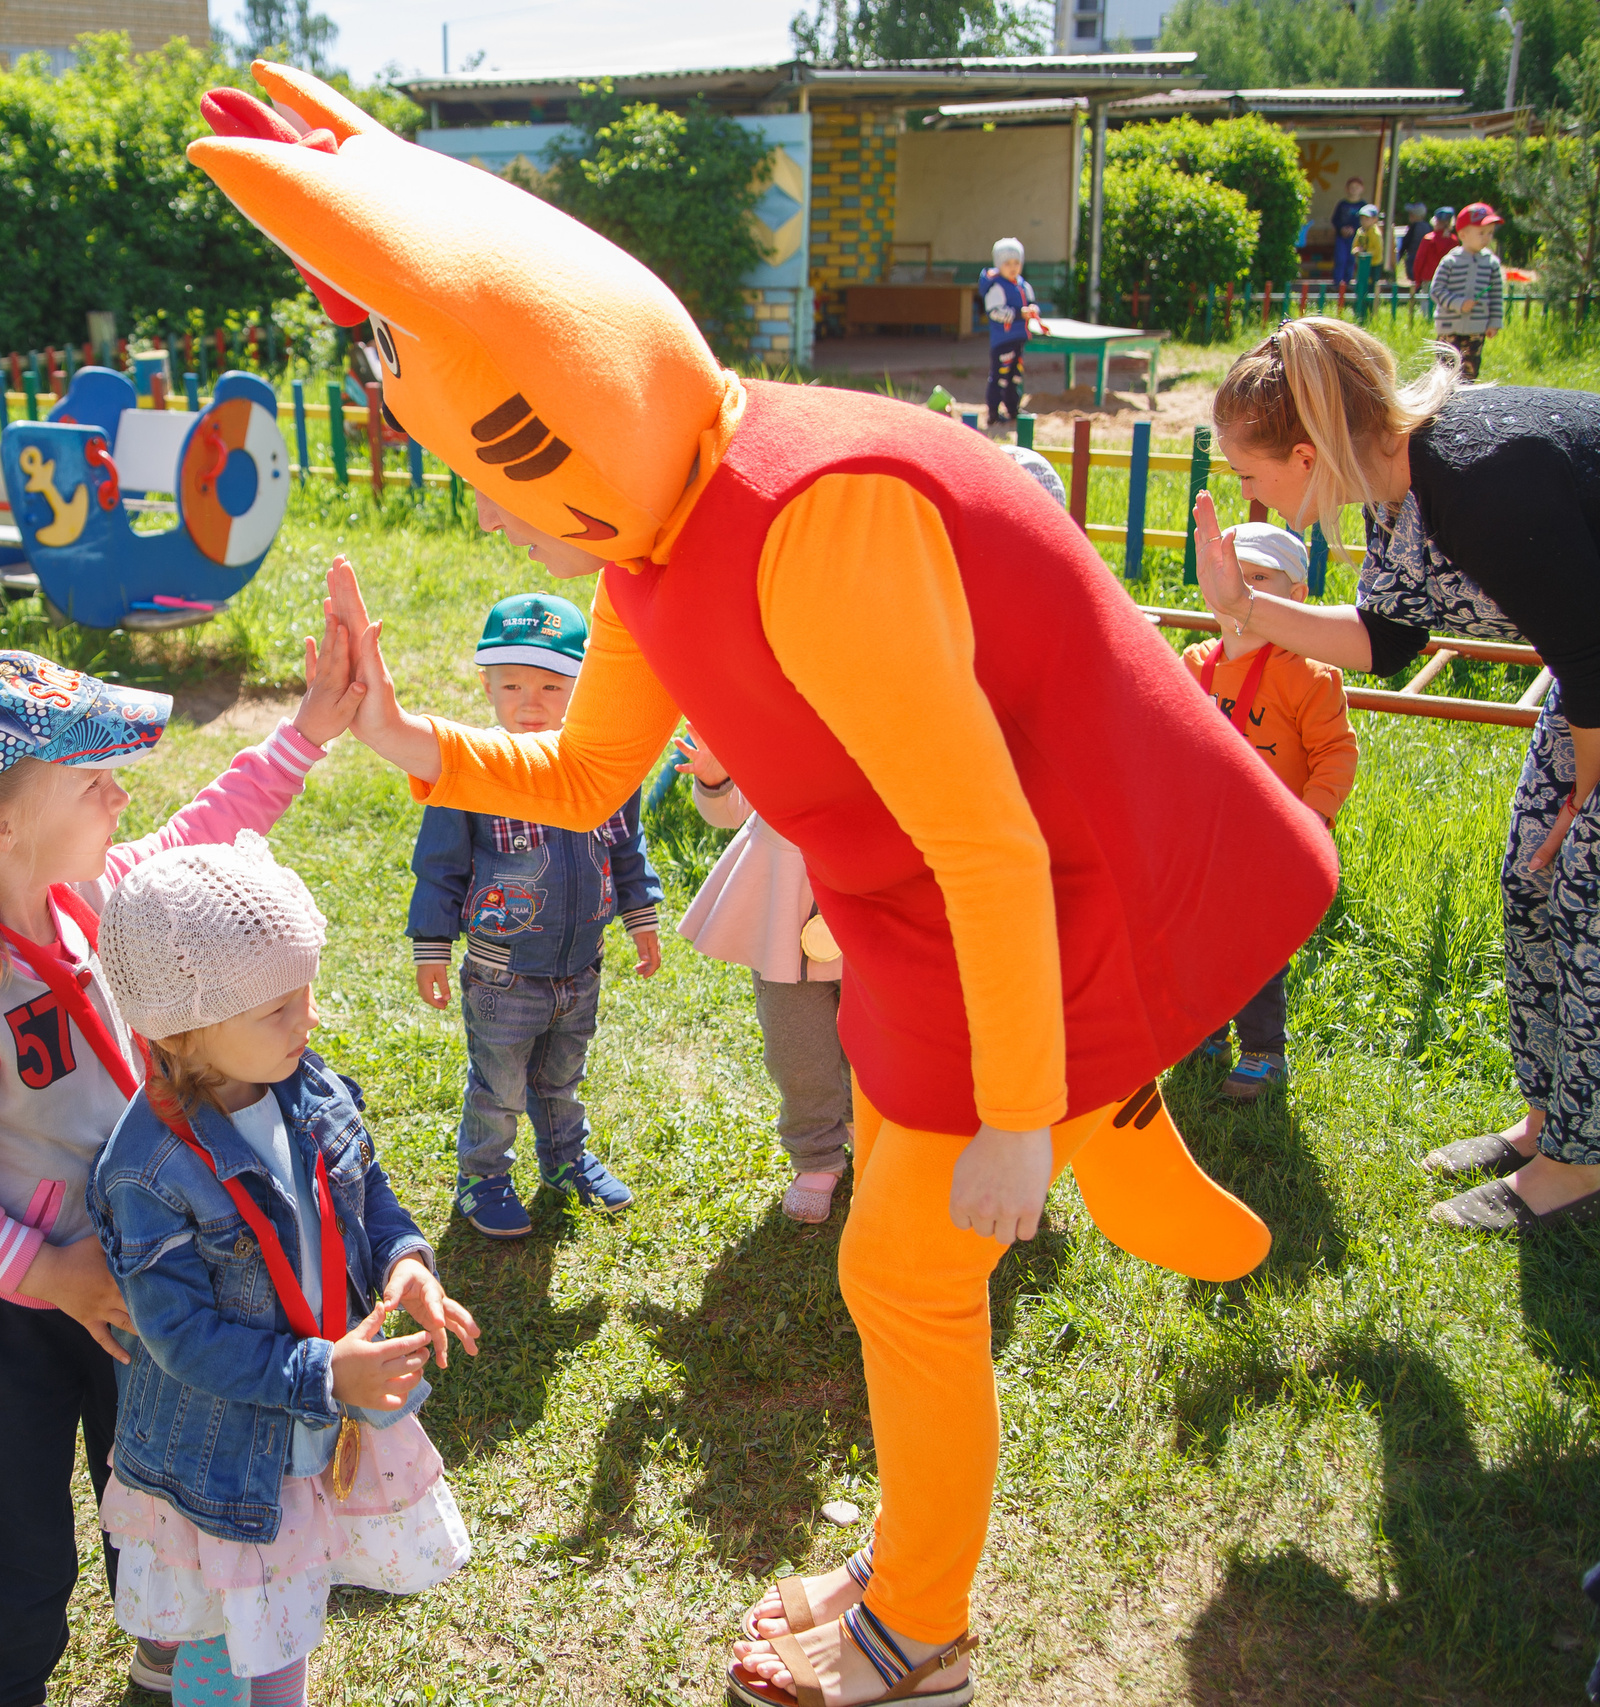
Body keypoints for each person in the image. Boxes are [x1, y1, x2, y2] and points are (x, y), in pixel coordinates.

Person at [189, 62, 1335, 1706]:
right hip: (912, 933)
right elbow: (588, 779)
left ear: (545, 422)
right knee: (898, 1250)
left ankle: (918, 1632)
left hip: (1022, 906)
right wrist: (397, 732)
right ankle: (916, 1546)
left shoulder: (810, 526)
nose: (497, 511)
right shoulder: (658, 538)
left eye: (479, 461)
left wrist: (1023, 1106)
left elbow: (995, 842)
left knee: (907, 1275)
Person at [0, 633, 361, 1707]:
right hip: (16, 1313)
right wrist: (45, 1274)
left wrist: (306, 733)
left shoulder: (96, 901)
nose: (121, 795)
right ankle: (6, 1683)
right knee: (14, 1538)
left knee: (154, 1483)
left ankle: (163, 1651)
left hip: (143, 1277)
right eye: (93, 781)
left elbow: (201, 849)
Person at [1197, 314, 1600, 1234]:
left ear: (1304, 453)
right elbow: (1386, 637)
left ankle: (1579, 1163)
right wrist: (1248, 609)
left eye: (1249, 473)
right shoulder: (1394, 478)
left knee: (1587, 896)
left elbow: (1588, 649)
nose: (1247, 492)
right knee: (1532, 882)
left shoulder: (1473, 474)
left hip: (1596, 675)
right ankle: (1549, 1124)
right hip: (1589, 679)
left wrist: (1582, 793)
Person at [88, 831, 477, 1707]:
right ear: (184, 1029)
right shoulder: (145, 1170)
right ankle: (174, 1657)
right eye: (277, 1006)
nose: (310, 1015)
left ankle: (174, 1655)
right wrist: (324, 1369)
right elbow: (180, 1337)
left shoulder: (307, 1084)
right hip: (226, 1435)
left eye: (305, 988)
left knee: (265, 1599)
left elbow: (367, 1193)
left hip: (309, 1410)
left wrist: (406, 1261)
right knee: (246, 1595)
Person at [407, 591, 660, 1239]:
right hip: (502, 973)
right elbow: (440, 867)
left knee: (560, 1075)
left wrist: (642, 914)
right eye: (511, 683)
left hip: (580, 967)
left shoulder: (605, 769)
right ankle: (483, 1176)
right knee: (498, 1085)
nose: (529, 702)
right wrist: (431, 945)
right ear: (486, 684)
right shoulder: (475, 771)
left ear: (586, 689)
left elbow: (626, 846)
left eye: (552, 685)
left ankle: (565, 1159)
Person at [1178, 523, 1358, 1104]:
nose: (1241, 591)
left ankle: (1263, 1052)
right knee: (1199, 940)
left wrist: (1312, 819)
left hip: (1271, 845)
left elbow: (1336, 752)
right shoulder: (1195, 665)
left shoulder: (1309, 676)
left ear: (1297, 597)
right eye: (1233, 578)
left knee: (1256, 951)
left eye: (1259, 579)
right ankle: (1205, 1033)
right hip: (1206, 842)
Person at [674, 728, 850, 1223]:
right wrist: (716, 777)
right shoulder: (770, 714)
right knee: (797, 1048)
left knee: (876, 1037)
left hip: (871, 897)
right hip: (785, 900)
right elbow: (728, 812)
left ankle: (861, 1120)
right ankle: (816, 1155)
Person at [1431, 202, 1507, 382]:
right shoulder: (1450, 261)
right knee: (1445, 369)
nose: (1487, 238)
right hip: (1450, 326)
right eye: (1481, 233)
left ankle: (1466, 403)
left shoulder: (1491, 263)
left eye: (1490, 233)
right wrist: (1458, 303)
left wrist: (1494, 322)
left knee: (1470, 369)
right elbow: (1436, 290)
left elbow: (1496, 295)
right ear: (1463, 234)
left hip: (1476, 327)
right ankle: (1443, 402)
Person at [977, 237, 1040, 426]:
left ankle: (1013, 409)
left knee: (1015, 376)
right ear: (998, 265)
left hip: (1018, 338)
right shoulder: (997, 287)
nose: (1013, 267)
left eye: (1016, 263)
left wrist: (1033, 310)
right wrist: (1018, 314)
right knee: (999, 376)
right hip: (1003, 340)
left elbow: (1031, 302)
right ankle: (993, 412)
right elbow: (994, 311)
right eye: (1007, 263)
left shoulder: (1022, 285)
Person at [1331, 176, 1368, 286]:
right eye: (1351, 187)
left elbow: (1365, 222)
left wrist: (1354, 229)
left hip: (1355, 237)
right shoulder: (1342, 204)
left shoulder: (1363, 205)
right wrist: (1342, 228)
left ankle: (1347, 282)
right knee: (1340, 259)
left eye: (1357, 187)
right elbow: (1335, 219)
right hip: (1341, 237)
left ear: (1362, 189)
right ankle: (1337, 283)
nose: (1354, 190)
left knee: (1351, 260)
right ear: (1347, 189)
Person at [1413, 206, 1460, 289]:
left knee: (1426, 301)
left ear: (1435, 221)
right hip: (1448, 280)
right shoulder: (1454, 240)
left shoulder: (1428, 239)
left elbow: (1419, 260)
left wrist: (1417, 281)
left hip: (1428, 279)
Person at [1396, 201, 1430, 282]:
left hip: (1413, 257)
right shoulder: (1428, 226)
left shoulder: (1414, 227)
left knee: (1413, 277)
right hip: (1424, 258)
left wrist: (1400, 254)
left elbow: (1406, 242)